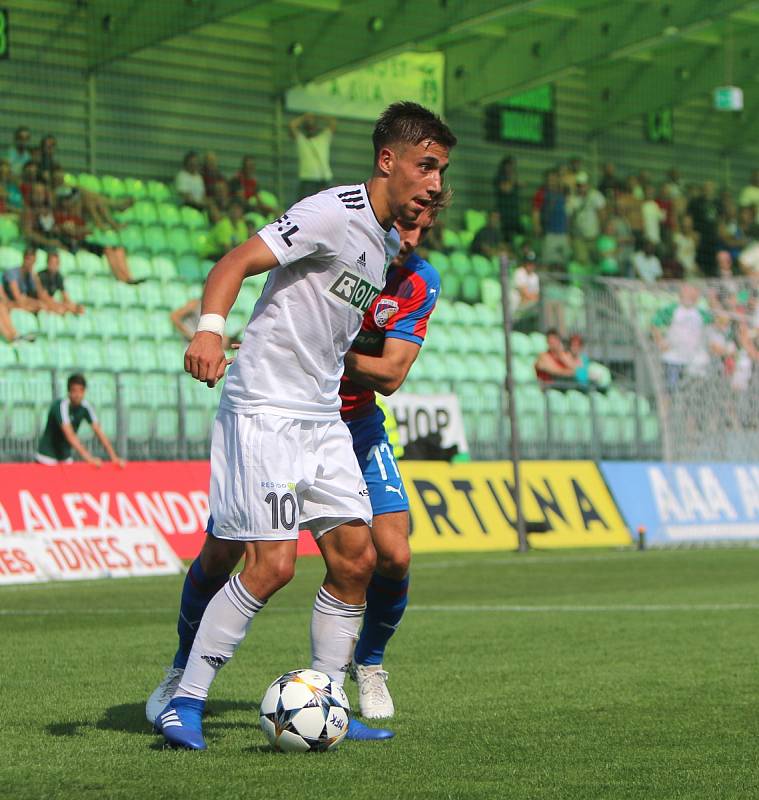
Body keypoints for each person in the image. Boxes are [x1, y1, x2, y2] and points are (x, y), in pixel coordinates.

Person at [152, 101, 456, 751]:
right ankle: (184, 698)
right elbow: (232, 262)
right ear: (388, 160)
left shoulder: (381, 248)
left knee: (357, 559)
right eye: (426, 167)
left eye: (440, 171)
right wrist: (210, 332)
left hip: (321, 417)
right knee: (271, 565)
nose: (435, 184)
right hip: (263, 404)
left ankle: (325, 702)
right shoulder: (332, 212)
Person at [35, 373, 125, 467]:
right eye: (74, 391)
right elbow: (70, 435)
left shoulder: (86, 407)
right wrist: (89, 458)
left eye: (81, 391)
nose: (78, 395)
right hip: (47, 457)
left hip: (65, 457)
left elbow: (98, 431)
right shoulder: (61, 406)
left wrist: (114, 457)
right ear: (69, 391)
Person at [651, 284, 712, 393]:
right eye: (688, 294)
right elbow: (655, 323)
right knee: (670, 390)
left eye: (693, 295)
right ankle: (668, 409)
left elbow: (716, 322)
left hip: (693, 359)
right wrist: (660, 341)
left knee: (694, 389)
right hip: (673, 358)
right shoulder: (672, 310)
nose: (690, 297)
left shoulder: (701, 313)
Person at [289, 112, 337, 200]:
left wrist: (319, 116)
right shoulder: (301, 140)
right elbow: (292, 125)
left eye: (313, 126)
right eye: (308, 127)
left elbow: (333, 123)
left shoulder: (323, 138)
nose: (311, 129)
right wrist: (304, 117)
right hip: (307, 179)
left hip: (324, 179)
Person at [532, 169, 570, 268]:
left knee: (563, 260)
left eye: (554, 178)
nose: (552, 180)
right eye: (550, 178)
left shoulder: (563, 192)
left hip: (563, 232)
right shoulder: (541, 193)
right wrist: (537, 225)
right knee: (547, 259)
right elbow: (536, 210)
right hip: (549, 232)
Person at [567, 172, 606, 264]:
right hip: (579, 237)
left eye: (583, 185)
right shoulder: (572, 200)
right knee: (582, 261)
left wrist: (603, 232)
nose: (581, 188)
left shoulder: (596, 196)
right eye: (579, 186)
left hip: (595, 236)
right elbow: (569, 219)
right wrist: (569, 235)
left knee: (597, 261)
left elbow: (602, 214)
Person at [2, 247, 54, 313]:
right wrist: (37, 303)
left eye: (33, 261)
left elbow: (41, 295)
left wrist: (36, 278)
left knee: (45, 306)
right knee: (38, 306)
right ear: (24, 258)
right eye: (29, 260)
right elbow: (18, 297)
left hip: (21, 303)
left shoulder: (30, 276)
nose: (30, 263)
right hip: (10, 303)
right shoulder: (12, 273)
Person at [38, 250, 84, 315]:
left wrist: (73, 306)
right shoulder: (42, 275)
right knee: (58, 309)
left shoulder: (58, 276)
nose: (53, 265)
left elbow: (65, 295)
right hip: (40, 301)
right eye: (51, 262)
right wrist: (59, 305)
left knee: (77, 309)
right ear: (47, 263)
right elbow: (43, 296)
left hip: (51, 301)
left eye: (56, 263)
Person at [493, 156, 521, 241]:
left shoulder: (513, 178)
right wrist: (513, 181)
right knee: (503, 236)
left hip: (513, 213)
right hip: (503, 213)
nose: (511, 168)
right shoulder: (500, 177)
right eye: (509, 165)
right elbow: (506, 189)